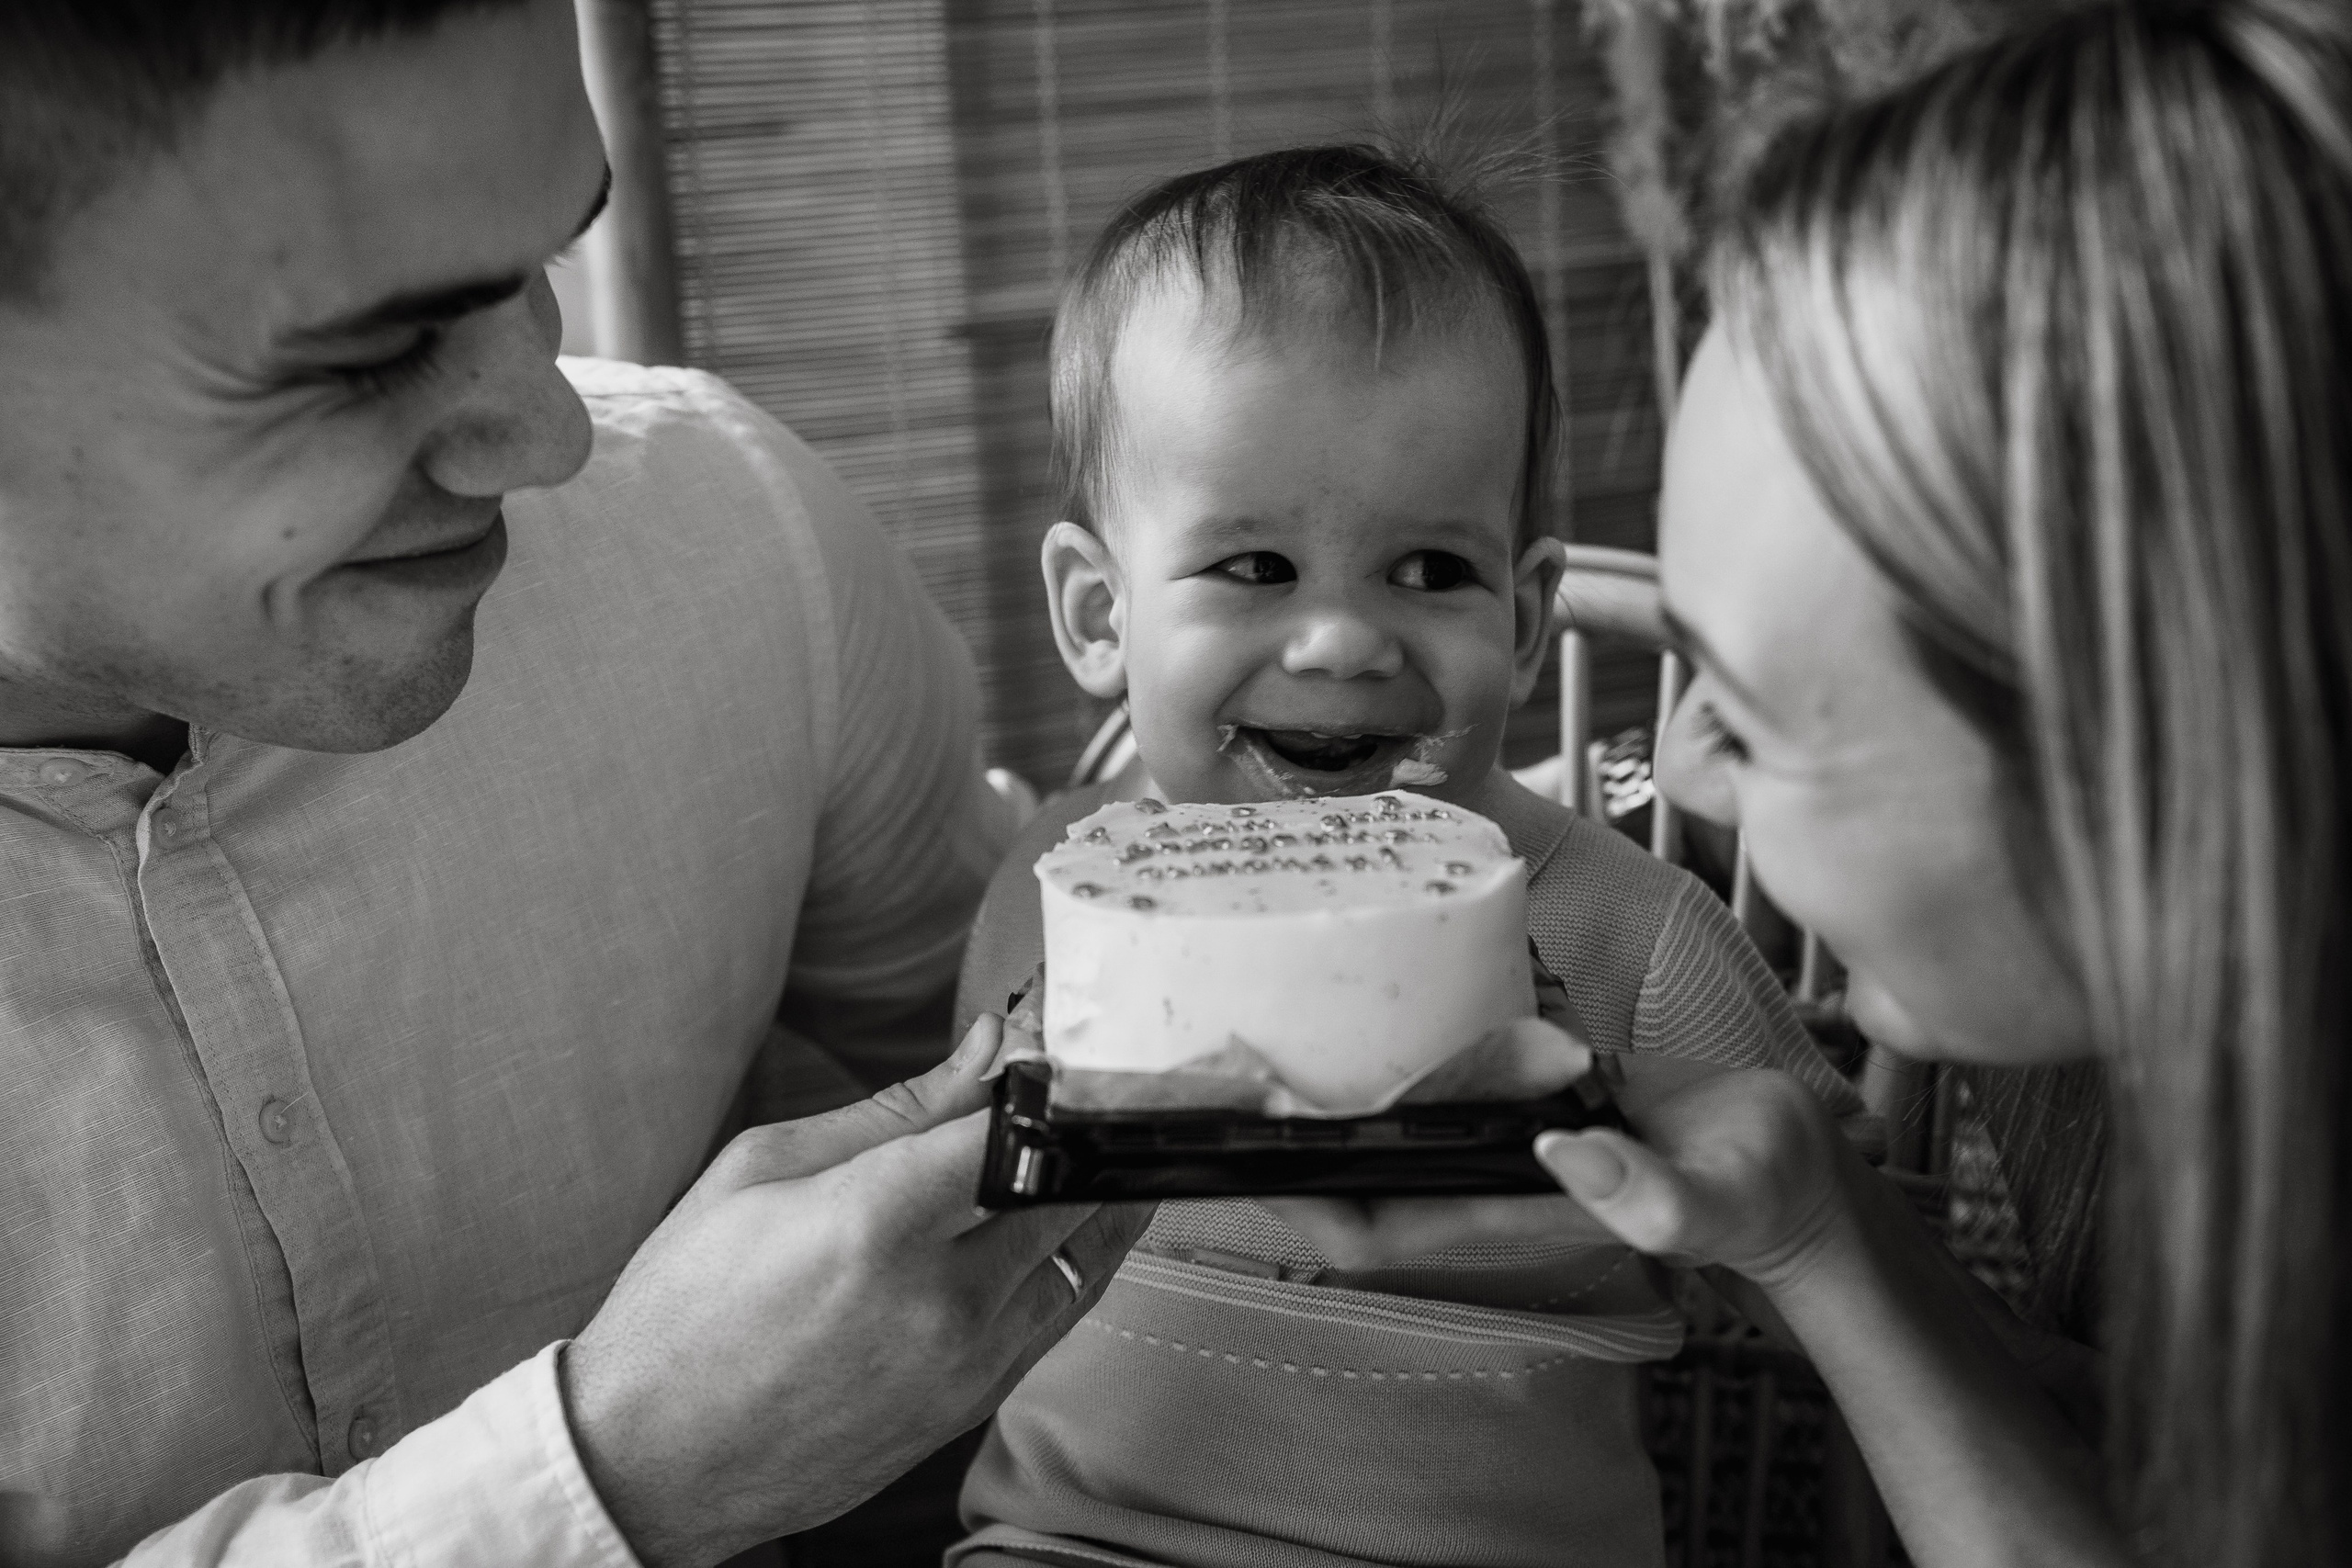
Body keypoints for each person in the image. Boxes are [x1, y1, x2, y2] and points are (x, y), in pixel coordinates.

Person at [0, 3, 1146, 1564]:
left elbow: (1073, 1140)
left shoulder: (729, 541)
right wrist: (621, 1472)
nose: (549, 438)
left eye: (543, 255)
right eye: (366, 355)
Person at [1284, 3, 2351, 1564]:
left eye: (1757, 716)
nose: (1686, 767)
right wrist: (1811, 1226)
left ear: (2148, 748)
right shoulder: (2127, 1094)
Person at [944, 145, 1864, 1568]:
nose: (1340, 642)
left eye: (1430, 571)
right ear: (1099, 614)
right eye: (1254, 568)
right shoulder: (1058, 894)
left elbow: (1841, 1259)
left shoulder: (1631, 934)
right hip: (1075, 1544)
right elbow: (967, 1224)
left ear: (1525, 617)